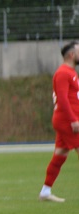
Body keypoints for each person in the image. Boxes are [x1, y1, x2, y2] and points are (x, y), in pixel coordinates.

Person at [39, 40, 79, 202]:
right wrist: (73, 120)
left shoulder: (71, 73)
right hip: (67, 121)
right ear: (71, 54)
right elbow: (62, 99)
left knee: (60, 154)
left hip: (68, 120)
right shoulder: (63, 73)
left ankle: (45, 191)